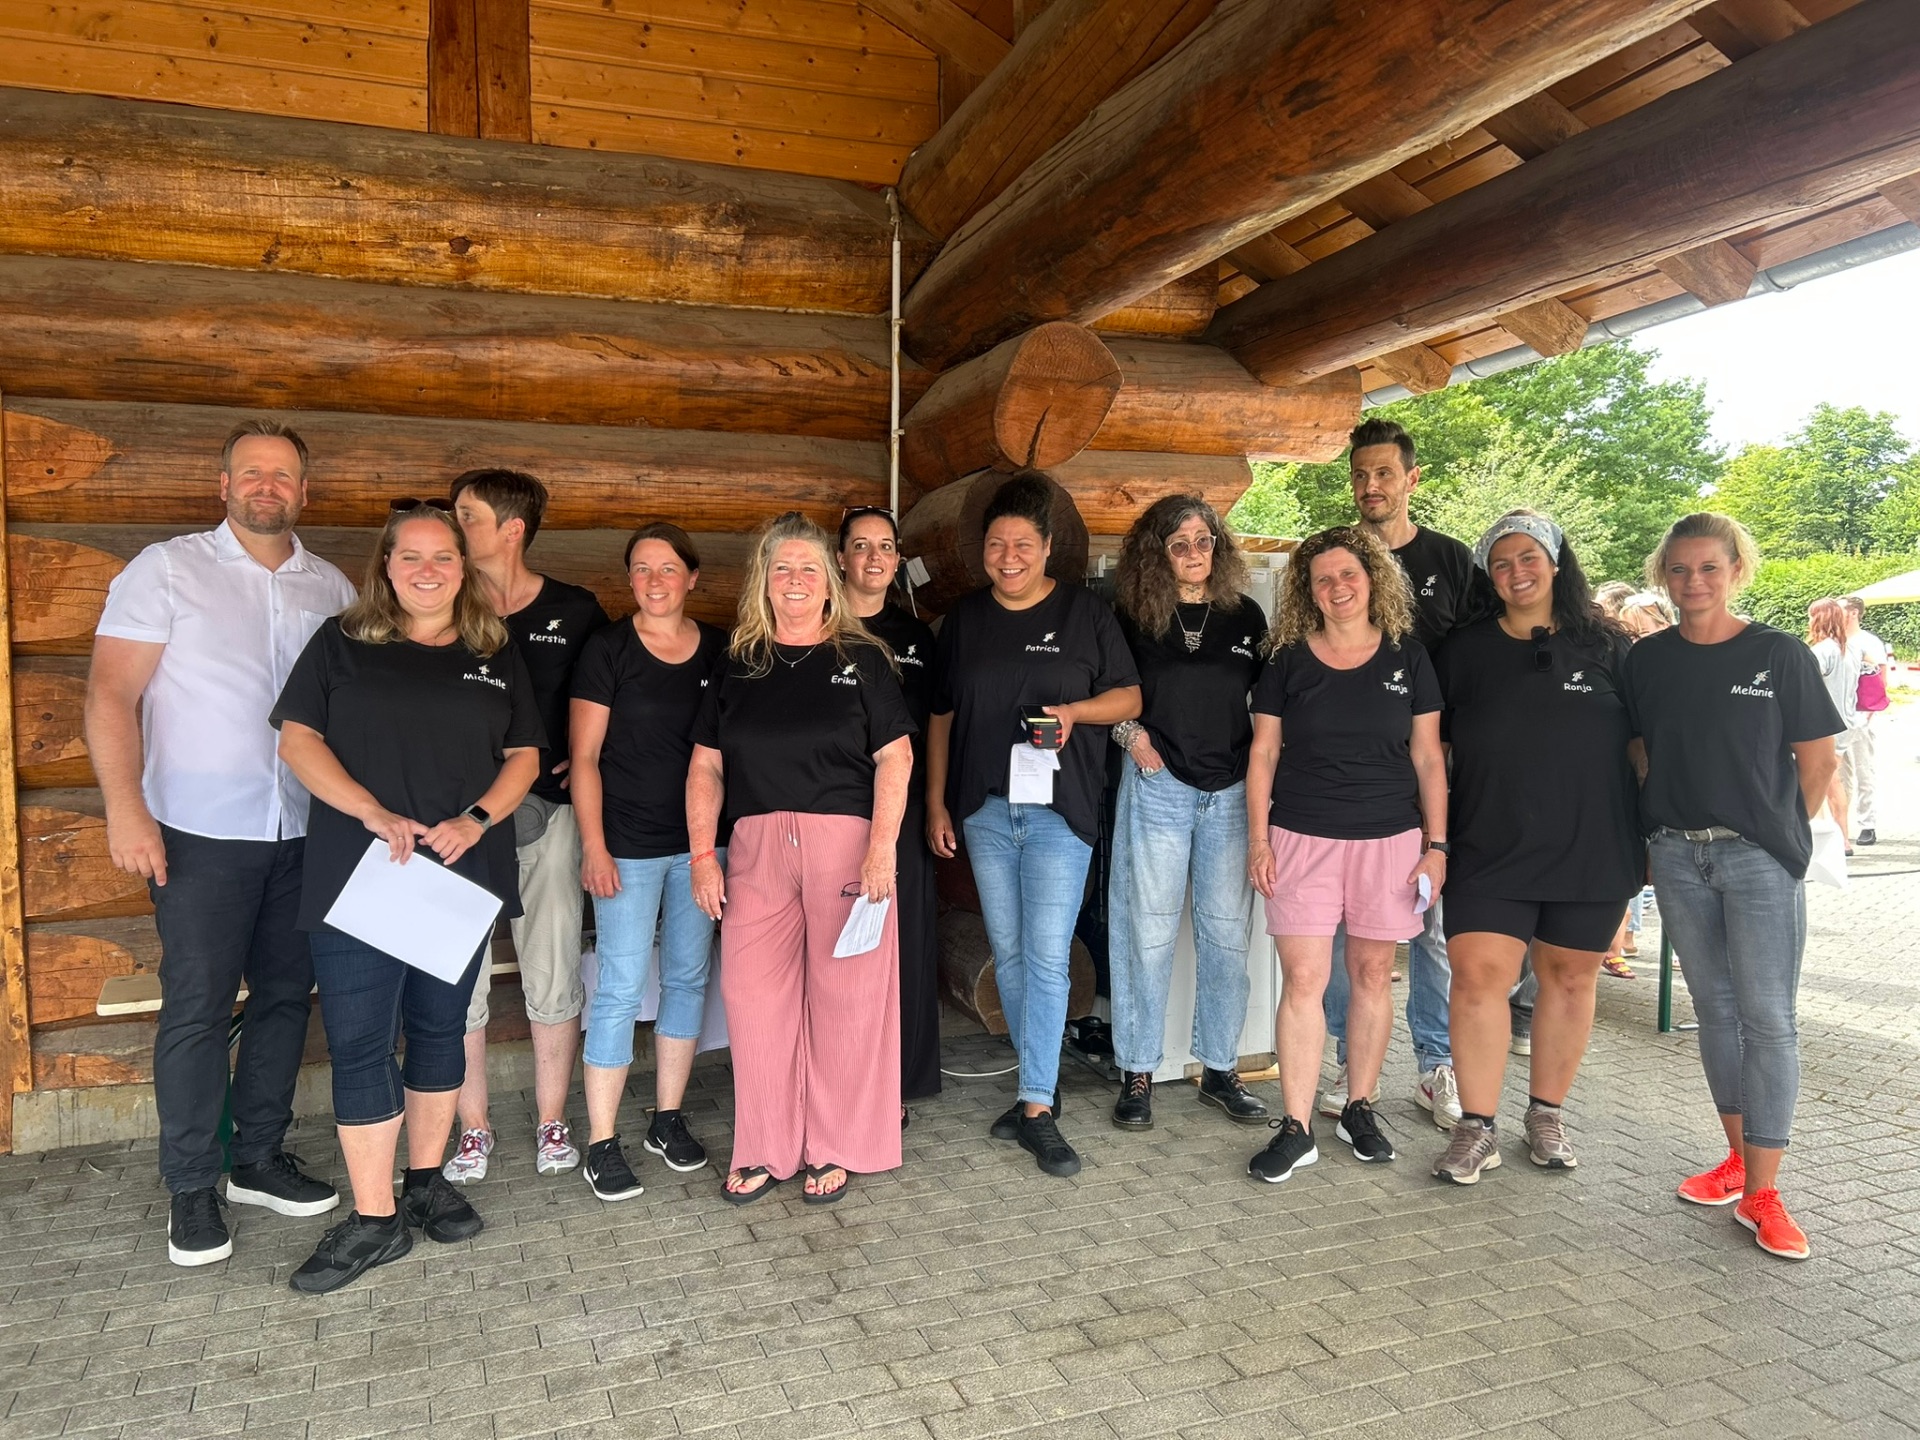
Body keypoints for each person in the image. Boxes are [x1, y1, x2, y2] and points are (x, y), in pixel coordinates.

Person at [87, 421, 356, 1268]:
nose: (267, 487)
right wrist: (126, 811)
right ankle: (191, 1185)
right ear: (224, 484)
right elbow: (108, 694)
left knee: (284, 997)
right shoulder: (167, 569)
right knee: (198, 1008)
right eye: (252, 473)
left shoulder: (334, 588)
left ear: (305, 491)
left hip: (305, 830)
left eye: (283, 475)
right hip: (200, 832)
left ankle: (257, 1160)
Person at [272, 501, 543, 1292]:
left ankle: (425, 1183)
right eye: (411, 557)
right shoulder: (342, 644)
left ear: (464, 569)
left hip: (456, 877)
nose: (427, 570)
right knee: (360, 1046)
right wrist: (370, 811)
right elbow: (297, 739)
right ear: (386, 567)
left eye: (444, 558)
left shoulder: (495, 651)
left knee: (435, 1035)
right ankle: (374, 1219)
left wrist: (477, 818)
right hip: (363, 877)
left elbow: (524, 754)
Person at [1623, 512, 1842, 1262]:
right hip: (1678, 857)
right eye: (1679, 570)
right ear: (1663, 574)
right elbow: (1641, 749)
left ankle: (1766, 1192)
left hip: (1757, 861)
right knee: (1713, 1010)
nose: (1693, 582)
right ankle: (1737, 1162)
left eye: (1709, 568)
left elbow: (1817, 762)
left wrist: (1779, 837)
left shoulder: (1777, 653)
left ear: (1735, 569)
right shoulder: (1646, 660)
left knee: (1768, 1018)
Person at [688, 513, 916, 1206]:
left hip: (845, 846)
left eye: (808, 569)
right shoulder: (738, 662)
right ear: (763, 578)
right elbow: (706, 767)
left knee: (847, 1001)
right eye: (781, 568)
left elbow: (895, 758)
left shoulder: (863, 657)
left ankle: (835, 1144)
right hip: (756, 849)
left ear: (829, 583)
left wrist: (882, 850)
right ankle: (765, 1145)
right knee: (753, 1000)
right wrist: (703, 855)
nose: (794, 580)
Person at [927, 474, 1141, 1179]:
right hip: (986, 810)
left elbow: (1129, 696)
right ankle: (1035, 1090)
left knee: (1048, 957)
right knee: (1013, 956)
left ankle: (1038, 1106)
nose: (1008, 555)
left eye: (1022, 543)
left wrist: (1076, 714)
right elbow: (942, 717)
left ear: (1048, 548)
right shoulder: (963, 621)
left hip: (1060, 810)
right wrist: (936, 802)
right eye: (996, 544)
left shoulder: (1086, 615)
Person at [1428, 512, 1641, 1185]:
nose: (1516, 573)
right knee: (1477, 980)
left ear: (1555, 561)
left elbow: (1643, 749)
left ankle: (1545, 1114)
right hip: (1490, 843)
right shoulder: (1463, 650)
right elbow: (1432, 749)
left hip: (1593, 842)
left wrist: (1653, 834)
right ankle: (1476, 1128)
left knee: (1571, 981)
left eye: (1528, 558)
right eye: (1500, 562)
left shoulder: (1610, 646)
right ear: (1488, 575)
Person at [1245, 527, 1448, 1184]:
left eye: (1347, 576)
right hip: (1301, 837)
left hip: (1389, 840)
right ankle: (1297, 1127)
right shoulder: (1286, 662)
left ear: (1373, 580)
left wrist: (1436, 846)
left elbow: (1427, 758)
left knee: (1369, 979)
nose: (1336, 588)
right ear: (1309, 591)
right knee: (1304, 982)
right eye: (1322, 579)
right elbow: (1264, 754)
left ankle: (1360, 1106)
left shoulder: (1408, 658)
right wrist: (1258, 837)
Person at [446, 470, 609, 1183]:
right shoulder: (439, 603)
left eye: (468, 516)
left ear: (512, 529)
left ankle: (552, 1123)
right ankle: (472, 1130)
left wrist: (596, 761)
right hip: (458, 827)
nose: (456, 528)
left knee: (552, 971)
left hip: (552, 817)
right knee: (459, 979)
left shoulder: (576, 609)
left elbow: (613, 694)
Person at [569, 523, 729, 1200]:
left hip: (701, 847)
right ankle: (601, 1141)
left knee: (688, 978)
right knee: (621, 986)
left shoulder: (719, 650)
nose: (655, 580)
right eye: (641, 569)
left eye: (668, 569)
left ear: (692, 578)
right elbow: (582, 758)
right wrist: (594, 845)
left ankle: (666, 1118)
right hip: (627, 847)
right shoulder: (607, 649)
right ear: (628, 579)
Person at [1322, 419, 1471, 1131]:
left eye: (1383, 473)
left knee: (1430, 928)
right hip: (1349, 782)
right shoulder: (1333, 558)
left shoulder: (1452, 560)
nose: (1370, 486)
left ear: (1412, 478)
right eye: (1359, 475)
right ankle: (1353, 1067)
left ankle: (1434, 1065)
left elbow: (1477, 664)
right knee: (1348, 934)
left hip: (1431, 772)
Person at [1105, 495, 1269, 1131]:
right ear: (1156, 551)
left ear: (1218, 547)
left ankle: (1221, 1069)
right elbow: (1099, 687)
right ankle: (1138, 1071)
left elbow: (1276, 701)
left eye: (1204, 540)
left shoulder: (1246, 617)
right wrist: (1131, 737)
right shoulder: (1130, 615)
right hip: (1159, 781)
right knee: (1145, 929)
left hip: (1230, 789)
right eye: (1179, 543)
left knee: (1227, 935)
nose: (1194, 553)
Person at [836, 507, 942, 1113]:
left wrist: (932, 807)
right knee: (838, 948)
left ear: (897, 560)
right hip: (829, 806)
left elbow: (932, 729)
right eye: (860, 546)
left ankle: (894, 1083)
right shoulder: (815, 626)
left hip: (898, 812)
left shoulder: (916, 638)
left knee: (900, 946)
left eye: (884, 547)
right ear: (841, 556)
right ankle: (842, 1078)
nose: (873, 558)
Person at [1806, 598, 1856, 853]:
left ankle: (1842, 839)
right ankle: (1841, 837)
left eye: (1811, 616)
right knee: (1832, 780)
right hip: (1846, 722)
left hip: (1825, 726)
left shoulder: (1822, 651)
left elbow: (1807, 690)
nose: (1809, 621)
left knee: (1828, 781)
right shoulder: (1848, 649)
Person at [1841, 596, 1889, 845]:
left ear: (1853, 613)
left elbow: (1880, 680)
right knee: (1840, 775)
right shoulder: (1835, 640)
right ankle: (1842, 825)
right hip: (1839, 716)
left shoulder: (1869, 642)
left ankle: (1867, 823)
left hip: (1860, 715)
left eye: (1841, 609)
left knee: (1863, 769)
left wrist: (1869, 714)